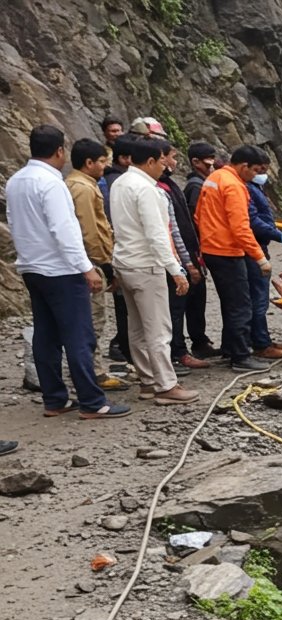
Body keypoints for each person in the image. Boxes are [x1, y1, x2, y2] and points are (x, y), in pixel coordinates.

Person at [8, 125, 130, 419]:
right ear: (59, 151)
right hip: (60, 269)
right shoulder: (52, 183)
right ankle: (92, 401)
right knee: (79, 335)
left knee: (46, 334)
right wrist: (86, 267)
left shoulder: (15, 181)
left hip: (32, 267)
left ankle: (54, 398)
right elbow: (64, 230)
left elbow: (14, 223)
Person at [110, 135, 197, 405]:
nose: (164, 166)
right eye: (161, 161)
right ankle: (166, 385)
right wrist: (175, 269)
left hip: (125, 262)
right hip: (147, 265)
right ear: (149, 161)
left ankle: (148, 380)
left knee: (136, 328)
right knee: (158, 328)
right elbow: (157, 234)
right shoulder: (146, 189)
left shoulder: (120, 182)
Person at [195, 144, 273, 372]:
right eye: (255, 170)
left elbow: (198, 215)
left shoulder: (214, 178)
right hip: (228, 251)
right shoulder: (234, 186)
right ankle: (241, 356)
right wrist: (260, 257)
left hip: (212, 248)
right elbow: (241, 228)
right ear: (244, 166)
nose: (256, 175)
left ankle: (230, 347)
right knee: (241, 305)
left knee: (229, 302)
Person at [65, 139, 127, 391]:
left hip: (85, 261)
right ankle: (94, 373)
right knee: (94, 320)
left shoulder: (76, 184)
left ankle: (89, 370)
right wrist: (104, 263)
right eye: (101, 161)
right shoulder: (83, 188)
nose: (105, 166)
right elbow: (90, 231)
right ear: (88, 162)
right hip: (91, 262)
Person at [155, 143, 211, 372]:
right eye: (170, 157)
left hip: (186, 251)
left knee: (192, 301)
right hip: (174, 256)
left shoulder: (169, 184)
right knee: (175, 308)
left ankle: (195, 344)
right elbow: (171, 230)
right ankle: (176, 353)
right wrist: (184, 263)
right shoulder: (157, 188)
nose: (173, 162)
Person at [246, 168, 282, 359]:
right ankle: (260, 343)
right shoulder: (246, 188)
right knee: (259, 298)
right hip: (253, 247)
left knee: (258, 297)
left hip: (257, 245)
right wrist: (276, 235)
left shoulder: (254, 187)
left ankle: (261, 339)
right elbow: (253, 221)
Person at [181, 142, 220, 359]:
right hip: (195, 248)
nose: (212, 165)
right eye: (208, 161)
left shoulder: (200, 183)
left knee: (198, 297)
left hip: (197, 247)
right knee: (194, 297)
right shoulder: (196, 187)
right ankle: (197, 340)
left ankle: (200, 339)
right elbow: (196, 221)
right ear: (196, 162)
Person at [99, 134, 133, 364]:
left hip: (119, 250)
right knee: (126, 306)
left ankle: (124, 345)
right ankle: (123, 346)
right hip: (122, 251)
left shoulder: (116, 181)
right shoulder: (115, 183)